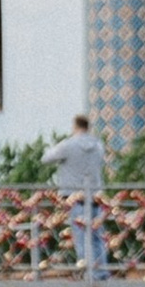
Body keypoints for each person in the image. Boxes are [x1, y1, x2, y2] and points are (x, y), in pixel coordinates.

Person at [51, 112, 107, 272]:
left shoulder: (68, 145)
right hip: (96, 196)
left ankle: (88, 272)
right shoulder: (98, 145)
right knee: (97, 237)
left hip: (75, 197)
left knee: (81, 237)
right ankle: (101, 272)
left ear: (75, 126)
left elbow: (47, 158)